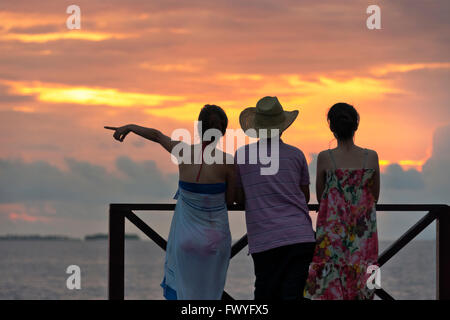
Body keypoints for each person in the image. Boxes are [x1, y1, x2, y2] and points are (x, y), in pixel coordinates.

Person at [105, 104, 234, 300]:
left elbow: (157, 135)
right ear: (223, 131)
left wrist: (130, 126)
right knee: (210, 295)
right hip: (216, 240)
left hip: (186, 240)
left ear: (199, 128)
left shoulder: (182, 152)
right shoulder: (229, 162)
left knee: (185, 294)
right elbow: (232, 199)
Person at [234, 96, 316, 300]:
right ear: (282, 127)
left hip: (265, 239)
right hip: (300, 236)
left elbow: (238, 196)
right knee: (294, 295)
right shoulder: (296, 155)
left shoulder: (242, 156)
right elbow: (304, 196)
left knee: (265, 294)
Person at [304, 102, 380, 300]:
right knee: (363, 283)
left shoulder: (325, 158)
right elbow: (375, 196)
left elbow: (321, 197)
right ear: (356, 126)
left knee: (329, 290)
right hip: (363, 236)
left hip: (332, 236)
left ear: (332, 127)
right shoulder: (371, 157)